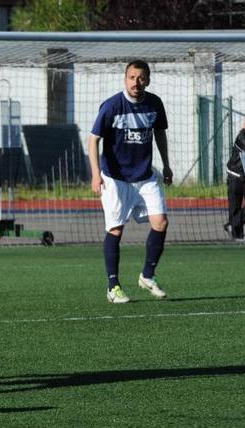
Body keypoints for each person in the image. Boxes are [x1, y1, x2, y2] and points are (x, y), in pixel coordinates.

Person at [88, 60, 173, 304]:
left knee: (161, 222)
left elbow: (159, 134)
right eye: (132, 77)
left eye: (141, 77)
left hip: (145, 176)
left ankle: (147, 275)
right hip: (116, 179)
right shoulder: (113, 106)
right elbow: (93, 140)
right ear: (125, 79)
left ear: (148, 79)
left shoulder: (154, 104)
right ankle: (112, 286)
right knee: (116, 229)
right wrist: (95, 174)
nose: (136, 82)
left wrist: (166, 165)